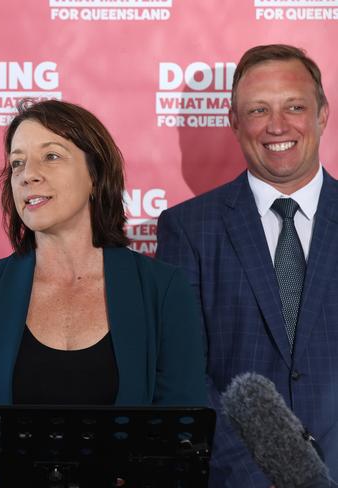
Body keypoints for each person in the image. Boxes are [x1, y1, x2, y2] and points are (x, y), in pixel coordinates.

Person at [0, 99, 206, 408]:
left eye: (50, 156)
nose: (27, 175)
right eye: (17, 162)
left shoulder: (163, 289)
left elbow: (183, 436)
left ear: (95, 176)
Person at [156, 44, 337, 487]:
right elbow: (182, 375)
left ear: (322, 114)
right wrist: (253, 477)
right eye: (258, 110)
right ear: (233, 122)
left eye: (294, 106)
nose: (278, 125)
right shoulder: (187, 229)